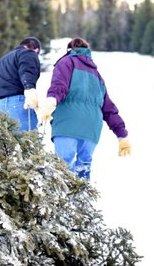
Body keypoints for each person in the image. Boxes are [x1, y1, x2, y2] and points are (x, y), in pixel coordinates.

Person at [39, 37, 131, 180]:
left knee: (62, 169)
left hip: (67, 123)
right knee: (83, 169)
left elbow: (59, 86)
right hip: (91, 128)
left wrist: (51, 101)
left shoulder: (66, 62)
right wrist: (122, 135)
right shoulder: (97, 75)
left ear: (70, 49)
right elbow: (109, 108)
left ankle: (61, 201)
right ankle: (79, 201)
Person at [0, 36, 41, 132]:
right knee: (28, 143)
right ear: (36, 50)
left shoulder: (2, 60)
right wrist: (30, 90)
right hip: (17, 105)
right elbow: (27, 71)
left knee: (3, 145)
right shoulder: (28, 53)